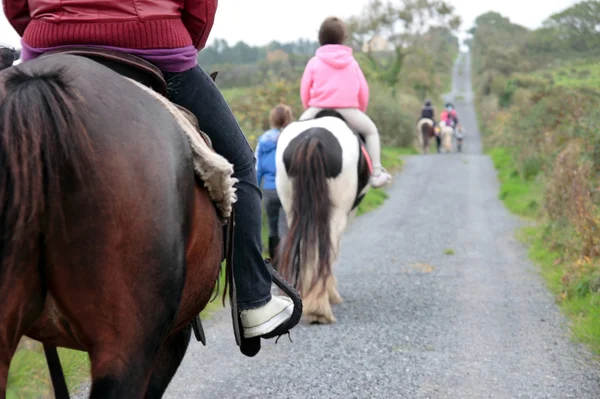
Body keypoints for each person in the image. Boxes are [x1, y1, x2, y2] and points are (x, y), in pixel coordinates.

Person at [3, 0, 295, 340]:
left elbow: (14, 5)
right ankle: (253, 300)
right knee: (241, 166)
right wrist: (183, 38)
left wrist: (49, 26)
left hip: (50, 41)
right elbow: (200, 8)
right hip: (150, 40)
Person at [299, 16, 392, 189]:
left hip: (317, 107)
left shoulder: (314, 62)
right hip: (348, 111)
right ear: (343, 39)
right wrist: (360, 111)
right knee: (371, 132)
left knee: (292, 133)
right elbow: (363, 91)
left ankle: (286, 173)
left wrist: (309, 109)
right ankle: (376, 173)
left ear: (320, 38)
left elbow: (304, 91)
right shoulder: (352, 63)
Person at [256, 104, 292, 260]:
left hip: (269, 190)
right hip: (288, 189)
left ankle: (275, 266)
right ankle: (289, 264)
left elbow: (257, 167)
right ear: (288, 118)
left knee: (272, 228)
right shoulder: (292, 137)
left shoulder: (263, 139)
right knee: (287, 227)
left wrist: (256, 189)